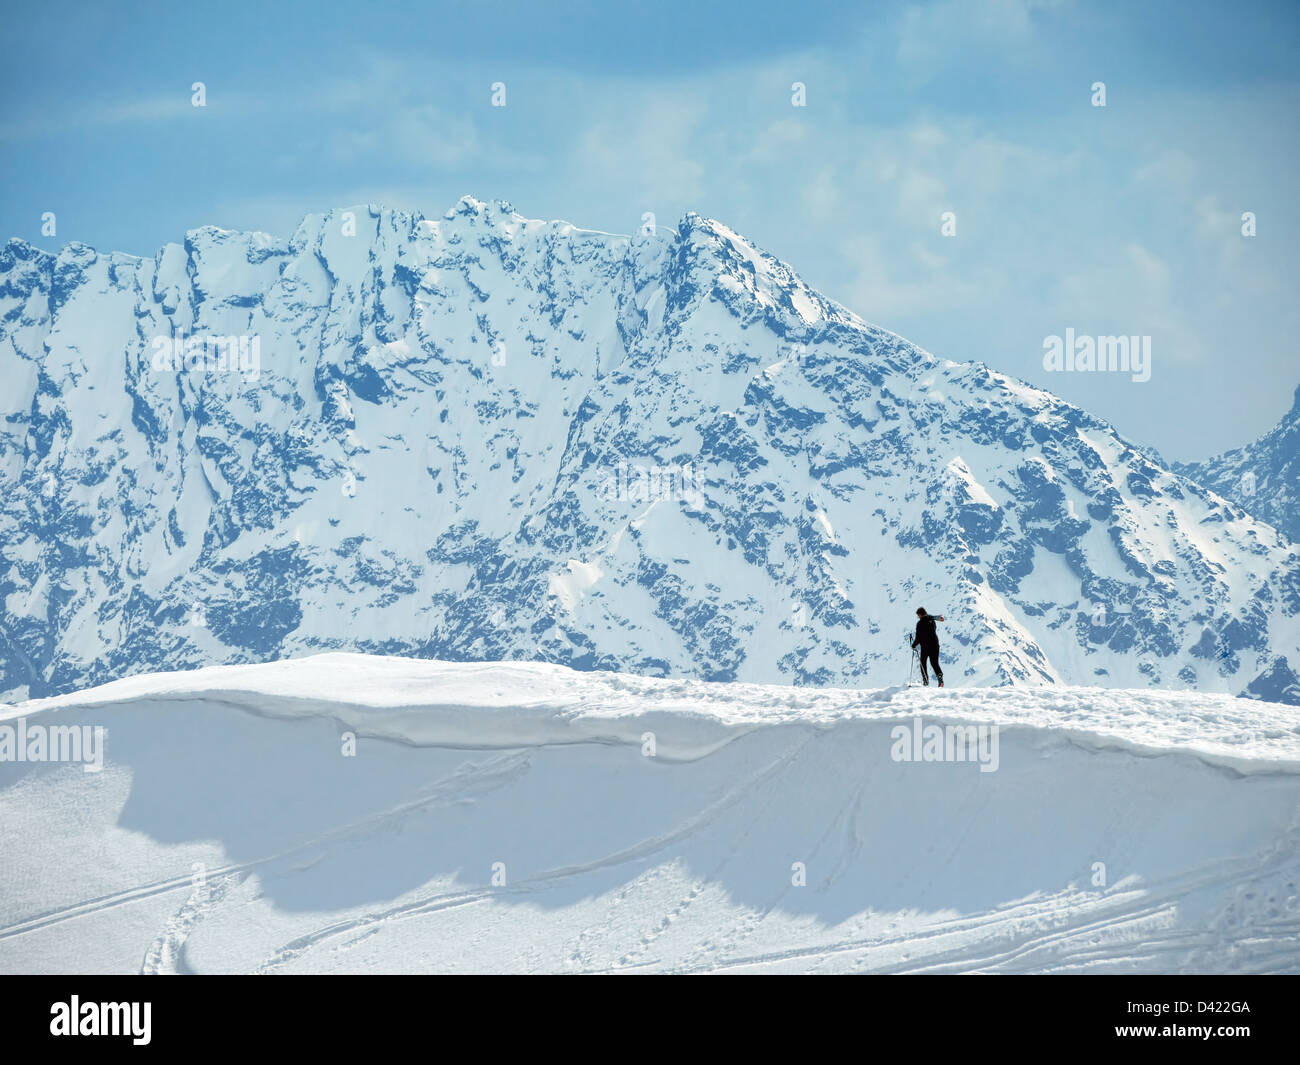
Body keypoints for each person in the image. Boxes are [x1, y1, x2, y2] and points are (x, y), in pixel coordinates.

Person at [911, 607, 945, 687]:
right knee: (934, 663)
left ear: (920, 614)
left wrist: (913, 645)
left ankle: (925, 681)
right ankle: (940, 678)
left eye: (918, 616)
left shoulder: (919, 624)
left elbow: (918, 637)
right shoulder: (932, 620)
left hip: (926, 646)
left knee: (923, 663)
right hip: (935, 645)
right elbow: (934, 629)